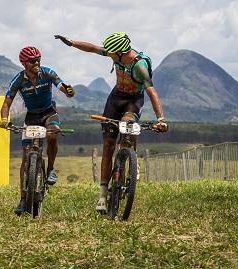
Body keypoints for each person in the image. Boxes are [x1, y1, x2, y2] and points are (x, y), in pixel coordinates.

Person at [54, 32, 168, 212]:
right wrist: (72, 43)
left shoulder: (139, 66)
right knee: (108, 146)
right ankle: (102, 196)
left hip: (133, 100)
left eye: (112, 53)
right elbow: (92, 48)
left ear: (121, 52)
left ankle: (131, 159)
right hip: (115, 98)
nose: (109, 55)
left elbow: (152, 92)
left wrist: (160, 119)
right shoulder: (116, 53)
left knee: (129, 126)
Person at [0, 46, 75, 215]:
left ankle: (50, 169)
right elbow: (6, 104)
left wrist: (68, 91)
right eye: (33, 61)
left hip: (49, 113)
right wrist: (4, 119)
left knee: (53, 134)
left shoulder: (47, 72)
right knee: (26, 158)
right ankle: (23, 199)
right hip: (31, 117)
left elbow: (61, 85)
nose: (37, 63)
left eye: (39, 59)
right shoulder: (18, 80)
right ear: (24, 63)